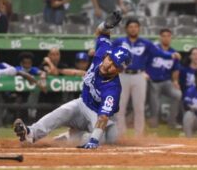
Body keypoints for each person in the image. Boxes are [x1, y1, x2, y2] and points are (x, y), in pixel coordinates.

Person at [14, 11, 131, 149]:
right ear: (107, 55)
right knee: (60, 112)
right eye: (109, 59)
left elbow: (103, 117)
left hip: (98, 114)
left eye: (114, 65)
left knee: (105, 139)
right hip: (82, 104)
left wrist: (93, 140)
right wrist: (105, 25)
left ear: (119, 71)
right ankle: (30, 133)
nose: (108, 64)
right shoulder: (102, 52)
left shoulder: (113, 89)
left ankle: (68, 137)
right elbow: (100, 33)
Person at [113, 18, 181, 136]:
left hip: (139, 75)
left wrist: (171, 55)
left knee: (139, 107)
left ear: (139, 29)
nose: (133, 29)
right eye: (131, 27)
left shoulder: (145, 43)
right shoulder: (119, 41)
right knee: (120, 107)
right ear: (126, 29)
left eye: (135, 26)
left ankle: (138, 135)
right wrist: (96, 50)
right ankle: (120, 134)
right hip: (122, 75)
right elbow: (107, 49)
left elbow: (158, 52)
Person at [146, 28, 182, 128]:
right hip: (152, 81)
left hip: (166, 81)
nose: (166, 38)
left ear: (171, 38)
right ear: (160, 37)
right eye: (164, 36)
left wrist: (175, 81)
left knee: (177, 94)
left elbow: (176, 69)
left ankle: (172, 122)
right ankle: (153, 124)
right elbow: (145, 62)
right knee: (155, 104)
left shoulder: (174, 52)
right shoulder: (154, 50)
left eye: (168, 36)